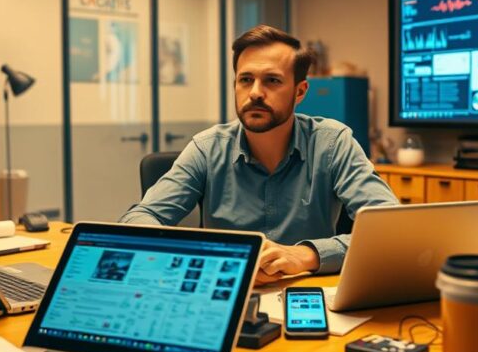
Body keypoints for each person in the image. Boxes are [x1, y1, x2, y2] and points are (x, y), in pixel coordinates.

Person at [120, 25, 398, 284]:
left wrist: (306, 255)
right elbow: (138, 220)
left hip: (307, 295)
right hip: (224, 290)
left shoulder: (332, 143)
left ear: (299, 91)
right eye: (246, 80)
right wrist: (213, 259)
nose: (255, 93)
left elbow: (389, 228)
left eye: (272, 81)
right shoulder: (207, 148)